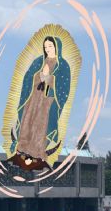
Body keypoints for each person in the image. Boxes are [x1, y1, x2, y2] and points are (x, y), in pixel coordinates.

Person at [8, 36, 71, 170]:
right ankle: (22, 152)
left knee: (41, 125)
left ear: (57, 47)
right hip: (33, 98)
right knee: (27, 122)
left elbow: (64, 88)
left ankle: (37, 154)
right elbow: (28, 77)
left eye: (50, 46)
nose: (48, 49)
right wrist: (39, 76)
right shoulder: (39, 61)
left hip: (48, 102)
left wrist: (49, 78)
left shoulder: (63, 65)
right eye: (46, 46)